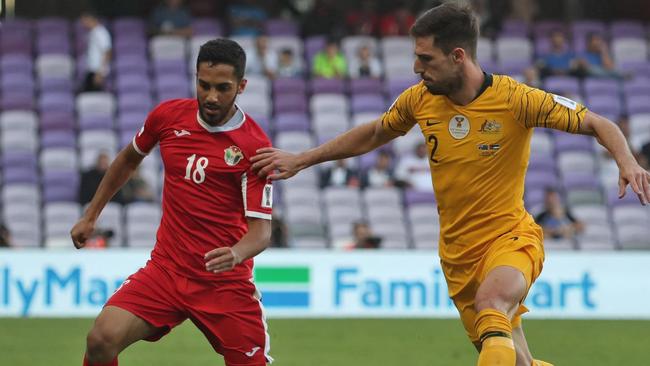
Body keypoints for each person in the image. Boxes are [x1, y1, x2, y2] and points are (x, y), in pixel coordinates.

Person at [251, 4, 650, 366]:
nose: (415, 68)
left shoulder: (516, 100)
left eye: (425, 58)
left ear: (457, 56)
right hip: (457, 257)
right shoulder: (420, 99)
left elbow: (599, 123)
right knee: (514, 361)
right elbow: (374, 133)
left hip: (510, 238)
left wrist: (627, 161)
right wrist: (302, 159)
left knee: (493, 303)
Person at [71, 39, 274, 366]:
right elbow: (126, 160)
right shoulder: (168, 117)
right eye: (204, 85)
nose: (211, 96)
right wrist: (91, 215)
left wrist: (235, 253)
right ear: (195, 77)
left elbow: (261, 232)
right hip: (167, 270)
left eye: (223, 88)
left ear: (242, 86)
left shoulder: (254, 147)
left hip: (223, 283)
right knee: (101, 340)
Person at [80, 11, 111, 92]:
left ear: (91, 19)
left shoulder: (101, 33)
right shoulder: (93, 32)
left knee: (94, 93)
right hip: (92, 69)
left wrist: (100, 72)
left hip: (97, 71)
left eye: (84, 21)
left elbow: (107, 51)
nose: (83, 24)